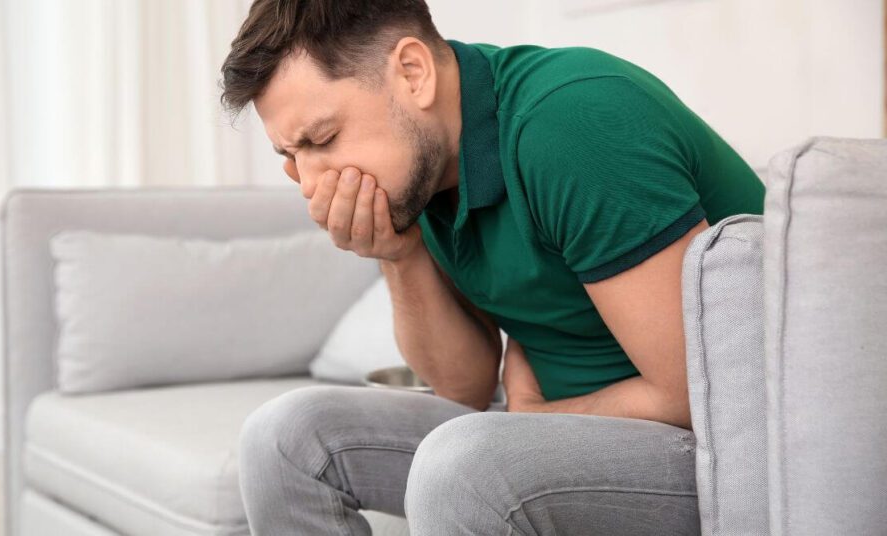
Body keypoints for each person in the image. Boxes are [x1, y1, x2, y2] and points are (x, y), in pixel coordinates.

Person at [219, 0, 765, 534]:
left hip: (729, 448)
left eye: (322, 139)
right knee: (284, 437)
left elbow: (698, 394)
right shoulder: (424, 168)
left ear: (413, 73)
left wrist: (533, 418)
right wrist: (399, 253)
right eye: (291, 156)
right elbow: (466, 388)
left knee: (461, 469)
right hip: (561, 424)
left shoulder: (573, 124)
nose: (311, 185)